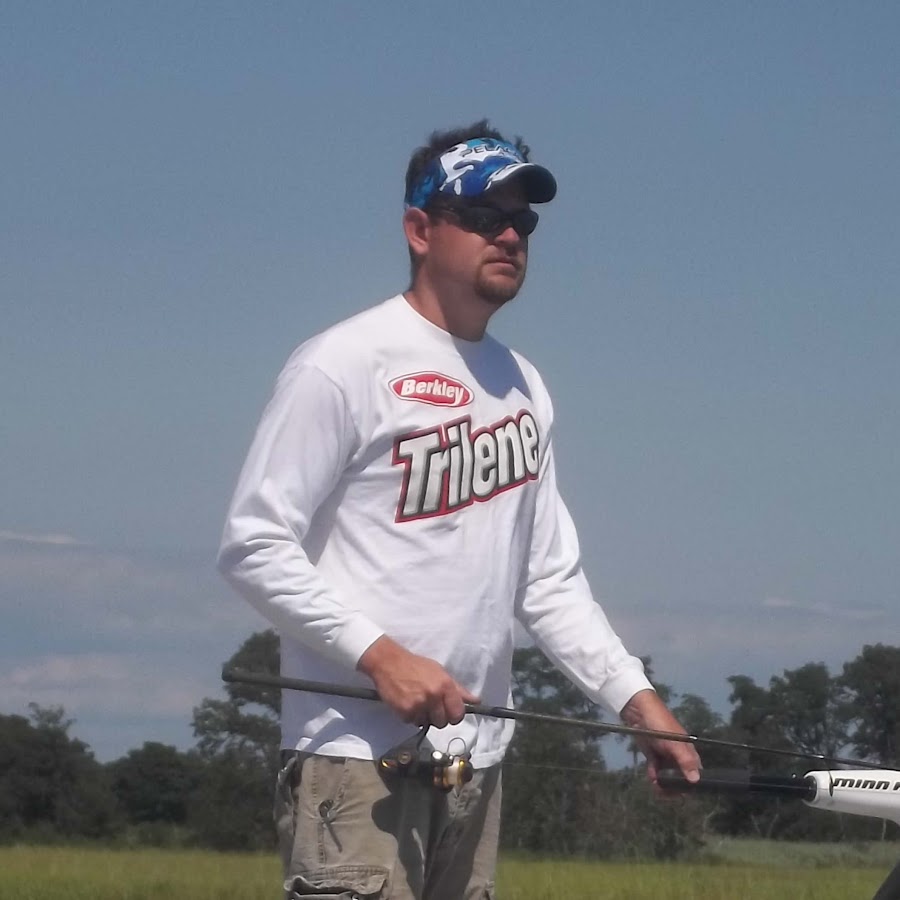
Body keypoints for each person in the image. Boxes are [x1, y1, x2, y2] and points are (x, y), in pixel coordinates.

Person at [217, 119, 701, 900]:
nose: (508, 235)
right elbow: (253, 545)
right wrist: (383, 657)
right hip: (353, 760)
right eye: (481, 216)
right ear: (419, 229)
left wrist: (636, 704)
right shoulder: (343, 364)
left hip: (476, 763)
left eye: (522, 221)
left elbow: (547, 581)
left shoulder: (524, 385)